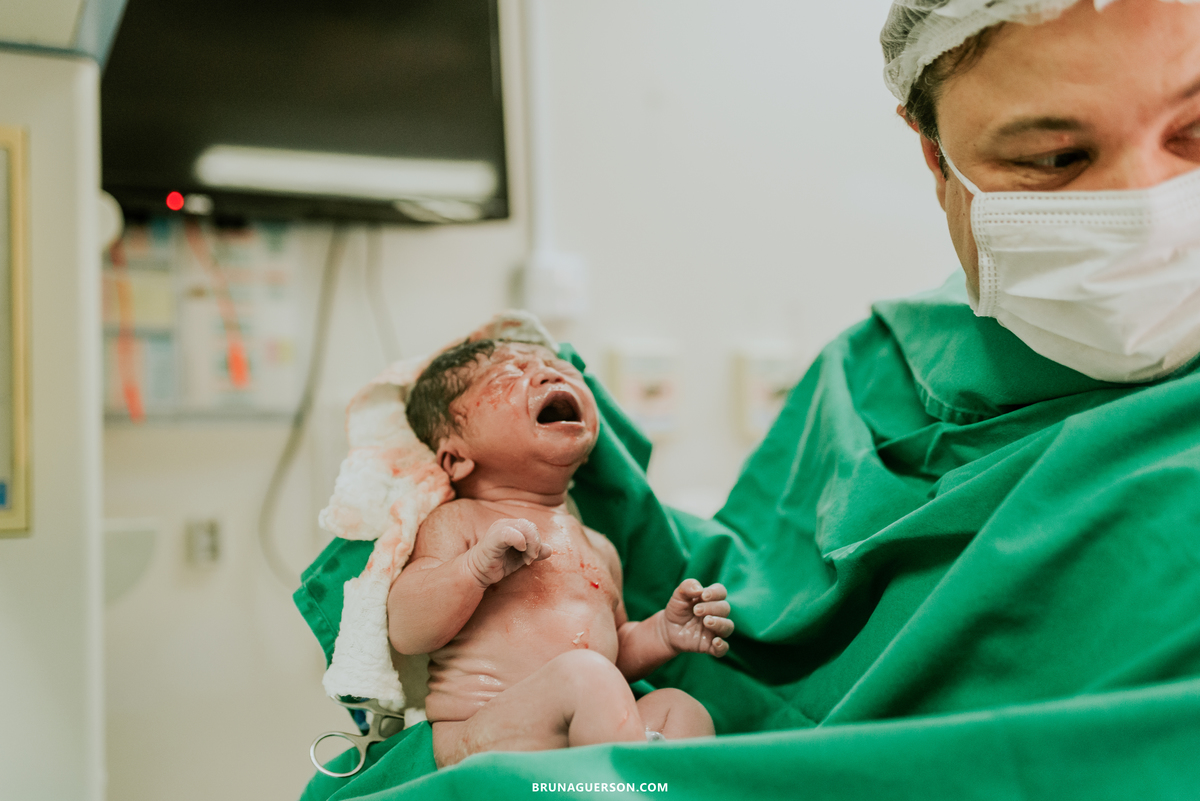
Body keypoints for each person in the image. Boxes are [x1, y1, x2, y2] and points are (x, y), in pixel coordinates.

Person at [299, 2, 1200, 798]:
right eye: (1054, 156)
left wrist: (663, 632)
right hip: (515, 726)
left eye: (1196, 131)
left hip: (608, 731)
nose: (1147, 205)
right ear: (936, 157)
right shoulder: (875, 367)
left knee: (676, 719)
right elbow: (769, 597)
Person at [387, 339, 734, 767]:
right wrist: (474, 569)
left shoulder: (599, 546)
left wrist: (663, 634)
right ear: (456, 458)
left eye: (558, 367)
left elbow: (613, 655)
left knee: (679, 709)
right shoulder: (459, 522)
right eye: (506, 374)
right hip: (483, 734)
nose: (552, 374)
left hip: (583, 730)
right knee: (585, 674)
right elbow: (406, 628)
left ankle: (641, 791)